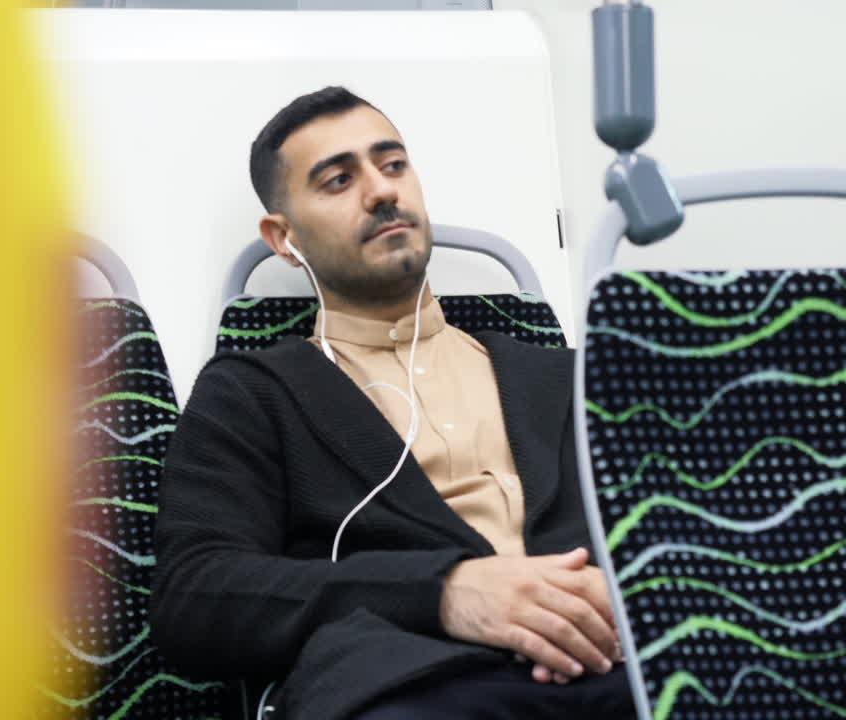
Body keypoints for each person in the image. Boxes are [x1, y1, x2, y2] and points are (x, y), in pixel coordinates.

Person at [150, 86, 635, 720]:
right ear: (283, 238)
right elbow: (196, 597)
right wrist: (442, 592)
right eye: (337, 180)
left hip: (618, 667)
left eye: (393, 164)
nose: (381, 191)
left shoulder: (562, 376)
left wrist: (638, 597)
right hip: (420, 686)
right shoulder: (252, 393)